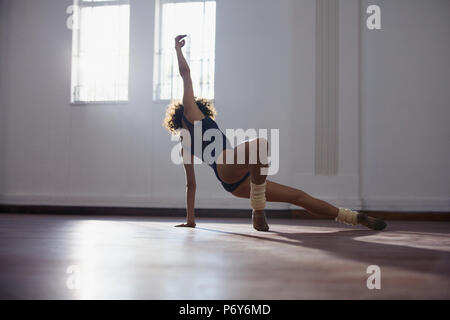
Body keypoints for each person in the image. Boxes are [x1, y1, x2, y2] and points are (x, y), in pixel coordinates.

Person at [163, 35, 386, 232]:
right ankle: (258, 209)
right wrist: (177, 49)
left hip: (236, 184)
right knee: (260, 144)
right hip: (227, 166)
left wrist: (191, 220)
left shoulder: (185, 145)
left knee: (299, 197)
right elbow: (185, 74)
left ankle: (355, 217)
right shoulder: (192, 114)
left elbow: (190, 185)